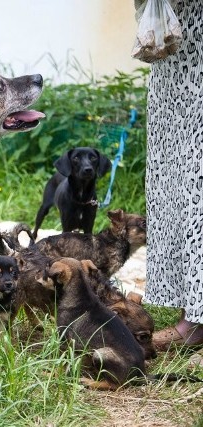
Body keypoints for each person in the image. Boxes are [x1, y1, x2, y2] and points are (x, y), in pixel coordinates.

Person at [141, 0, 203, 351]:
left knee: (196, 173)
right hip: (176, 44)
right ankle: (192, 305)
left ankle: (196, 320)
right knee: (177, 177)